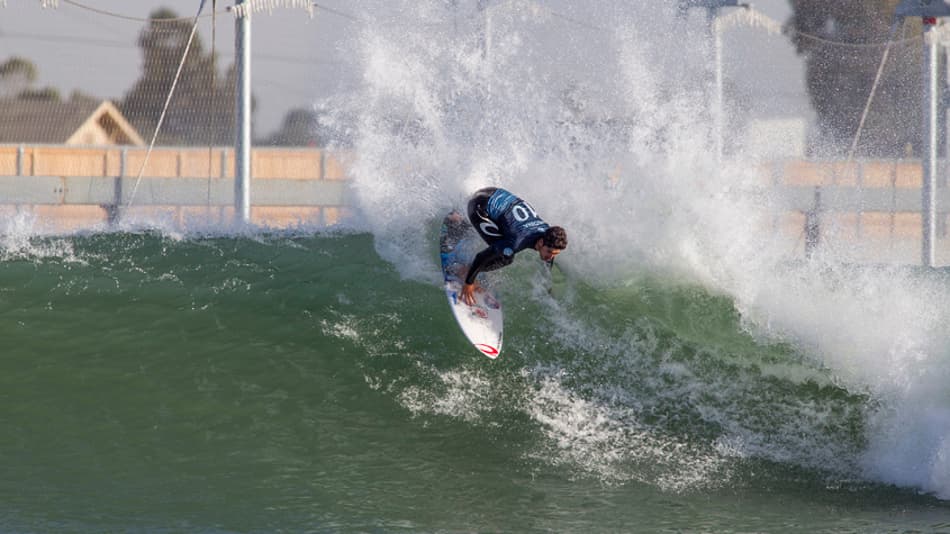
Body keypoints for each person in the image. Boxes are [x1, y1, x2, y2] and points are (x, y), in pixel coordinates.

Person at [459, 187, 567, 306]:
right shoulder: (517, 242)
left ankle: (462, 221)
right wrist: (469, 283)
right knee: (506, 256)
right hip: (478, 206)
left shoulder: (548, 234)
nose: (550, 257)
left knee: (506, 234)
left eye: (555, 254)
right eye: (549, 252)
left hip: (493, 192)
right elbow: (480, 256)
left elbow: (548, 259)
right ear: (541, 243)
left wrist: (548, 286)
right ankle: (465, 270)